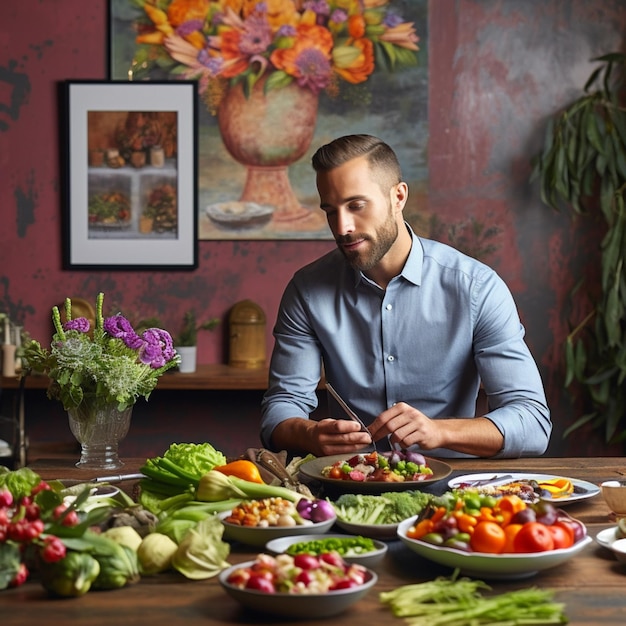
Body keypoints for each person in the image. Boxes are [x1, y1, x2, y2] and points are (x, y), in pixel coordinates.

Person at [260, 134, 551, 459]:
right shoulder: (307, 290)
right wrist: (309, 434)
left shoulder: (476, 287)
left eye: (356, 205)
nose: (342, 227)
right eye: (331, 211)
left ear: (398, 197)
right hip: (349, 485)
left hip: (454, 492)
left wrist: (439, 431)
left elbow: (532, 423)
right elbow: (280, 410)